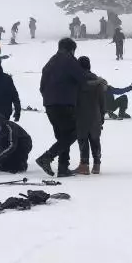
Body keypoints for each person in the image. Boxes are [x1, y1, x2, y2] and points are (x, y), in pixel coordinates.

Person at [35, 38, 87, 177]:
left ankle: (63, 168)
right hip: (65, 103)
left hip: (50, 105)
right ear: (71, 49)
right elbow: (82, 78)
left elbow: (42, 87)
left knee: (63, 137)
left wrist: (49, 98)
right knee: (74, 132)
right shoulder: (70, 60)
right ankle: (47, 157)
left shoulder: (50, 62)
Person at [74, 56, 106, 175]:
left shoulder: (76, 82)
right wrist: (102, 116)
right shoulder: (97, 82)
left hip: (80, 115)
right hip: (95, 115)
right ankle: (96, 165)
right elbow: (102, 102)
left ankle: (84, 165)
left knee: (82, 140)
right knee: (95, 139)